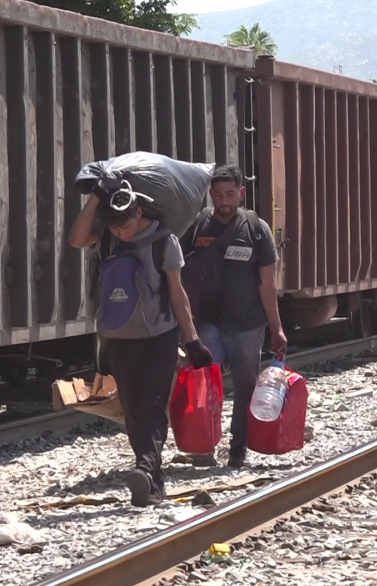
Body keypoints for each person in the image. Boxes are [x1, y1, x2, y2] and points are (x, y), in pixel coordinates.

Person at [68, 181, 213, 507]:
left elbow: (177, 293)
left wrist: (192, 340)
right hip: (118, 338)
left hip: (158, 337)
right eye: (116, 228)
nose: (123, 233)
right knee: (133, 412)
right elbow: (76, 239)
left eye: (127, 225)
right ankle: (152, 485)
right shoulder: (107, 236)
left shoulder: (164, 240)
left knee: (152, 405)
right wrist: (96, 197)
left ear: (139, 211)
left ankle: (144, 467)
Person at [180, 164, 287, 468]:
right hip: (208, 324)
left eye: (229, 194)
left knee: (245, 387)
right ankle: (204, 447)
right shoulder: (198, 226)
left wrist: (276, 329)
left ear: (241, 193)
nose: (223, 201)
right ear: (210, 195)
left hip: (247, 326)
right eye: (217, 195)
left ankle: (238, 448)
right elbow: (175, 271)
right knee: (205, 383)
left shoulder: (256, 230)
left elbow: (268, 283)